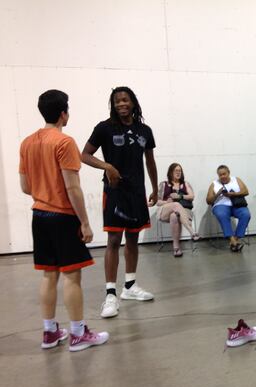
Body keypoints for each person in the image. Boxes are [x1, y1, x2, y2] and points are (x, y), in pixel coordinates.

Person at [19, 90, 109, 351]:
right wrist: (85, 222)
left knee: (49, 276)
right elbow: (73, 188)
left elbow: (25, 186)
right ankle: (78, 334)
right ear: (63, 113)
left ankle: (49, 332)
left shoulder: (27, 143)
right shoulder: (64, 142)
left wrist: (43, 191)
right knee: (72, 277)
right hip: (62, 217)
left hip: (39, 215)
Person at [82, 87, 158, 318]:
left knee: (133, 238)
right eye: (116, 101)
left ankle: (130, 287)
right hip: (115, 192)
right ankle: (110, 295)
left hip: (136, 192)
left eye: (125, 100)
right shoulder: (104, 128)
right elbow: (84, 154)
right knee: (114, 240)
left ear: (133, 102)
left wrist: (155, 188)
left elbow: (150, 161)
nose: (121, 104)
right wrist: (107, 166)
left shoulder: (144, 130)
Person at [156, 163, 200, 257]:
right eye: (176, 170)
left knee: (174, 216)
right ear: (170, 172)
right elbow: (157, 202)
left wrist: (180, 196)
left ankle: (176, 248)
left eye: (179, 170)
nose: (178, 172)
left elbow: (192, 196)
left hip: (183, 211)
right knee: (176, 204)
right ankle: (192, 232)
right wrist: (166, 202)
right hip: (165, 211)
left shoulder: (185, 184)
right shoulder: (163, 184)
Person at [205, 165, 251, 252]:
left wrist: (233, 194)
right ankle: (233, 240)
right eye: (220, 175)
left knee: (246, 214)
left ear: (228, 173)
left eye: (224, 174)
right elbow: (208, 201)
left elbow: (246, 191)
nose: (222, 176)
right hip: (221, 205)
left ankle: (234, 240)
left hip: (237, 205)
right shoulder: (214, 184)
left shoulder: (236, 180)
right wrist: (217, 194)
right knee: (222, 214)